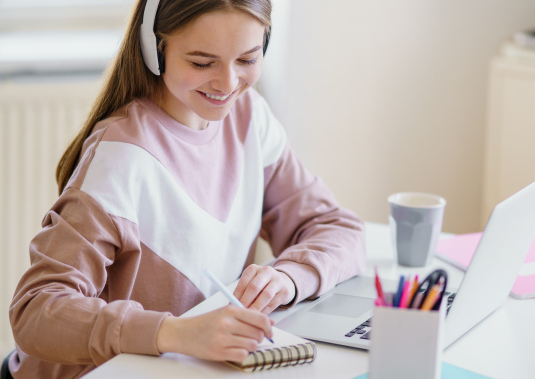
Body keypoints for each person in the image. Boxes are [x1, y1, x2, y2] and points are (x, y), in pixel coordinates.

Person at [7, 0, 365, 378]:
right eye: (201, 62)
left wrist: (290, 276)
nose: (228, 84)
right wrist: (173, 332)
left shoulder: (249, 119)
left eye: (247, 60)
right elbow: (36, 311)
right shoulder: (122, 157)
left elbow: (337, 227)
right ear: (155, 50)